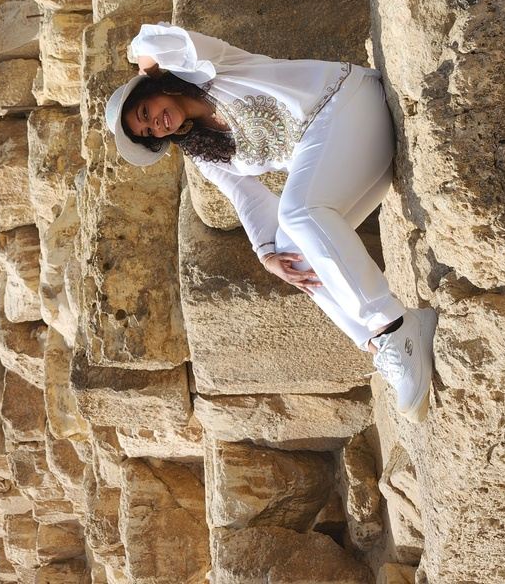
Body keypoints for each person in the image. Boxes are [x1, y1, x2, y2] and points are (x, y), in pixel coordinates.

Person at [104, 22, 437, 423]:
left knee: (296, 212)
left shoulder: (205, 68)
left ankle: (393, 326)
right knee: (291, 254)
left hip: (351, 102)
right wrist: (266, 255)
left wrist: (146, 68)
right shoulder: (204, 151)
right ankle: (383, 342)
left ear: (152, 88)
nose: (156, 125)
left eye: (145, 112)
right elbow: (244, 195)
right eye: (148, 132)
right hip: (362, 157)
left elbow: (151, 38)